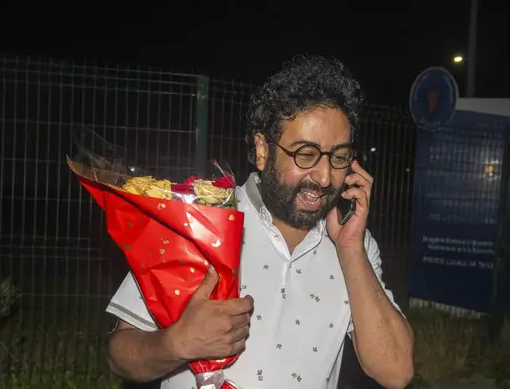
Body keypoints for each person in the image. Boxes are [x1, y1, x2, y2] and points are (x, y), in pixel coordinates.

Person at [105, 55, 414, 389]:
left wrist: (351, 249)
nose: (325, 177)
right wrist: (176, 343)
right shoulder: (199, 215)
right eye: (305, 154)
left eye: (338, 157)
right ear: (263, 149)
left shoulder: (354, 243)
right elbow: (120, 354)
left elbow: (397, 372)